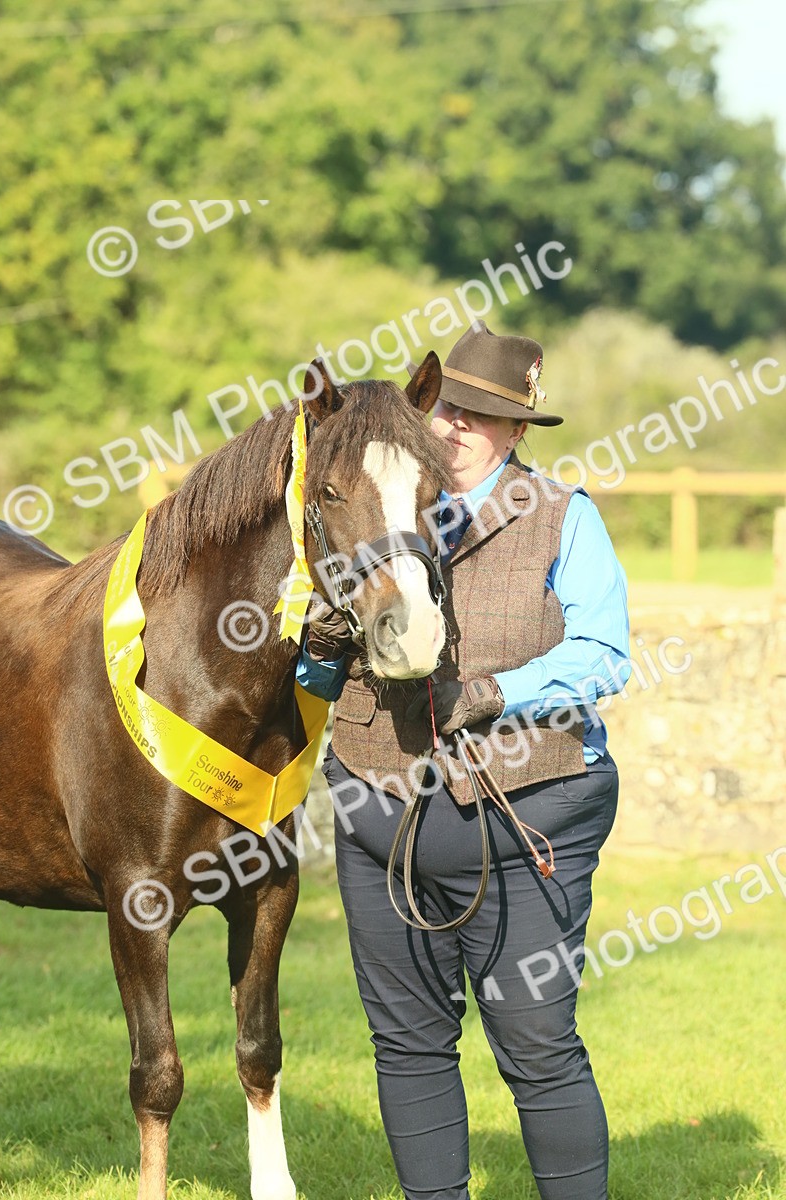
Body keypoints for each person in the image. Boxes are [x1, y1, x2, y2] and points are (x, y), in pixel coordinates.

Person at [296, 323, 631, 1200]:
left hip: (530, 807)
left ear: (517, 432)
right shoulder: (377, 498)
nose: (454, 426)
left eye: (481, 417)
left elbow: (605, 655)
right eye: (447, 405)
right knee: (407, 1045)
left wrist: (491, 692)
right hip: (379, 808)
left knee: (536, 1042)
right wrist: (318, 646)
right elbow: (318, 671)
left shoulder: (565, 515)